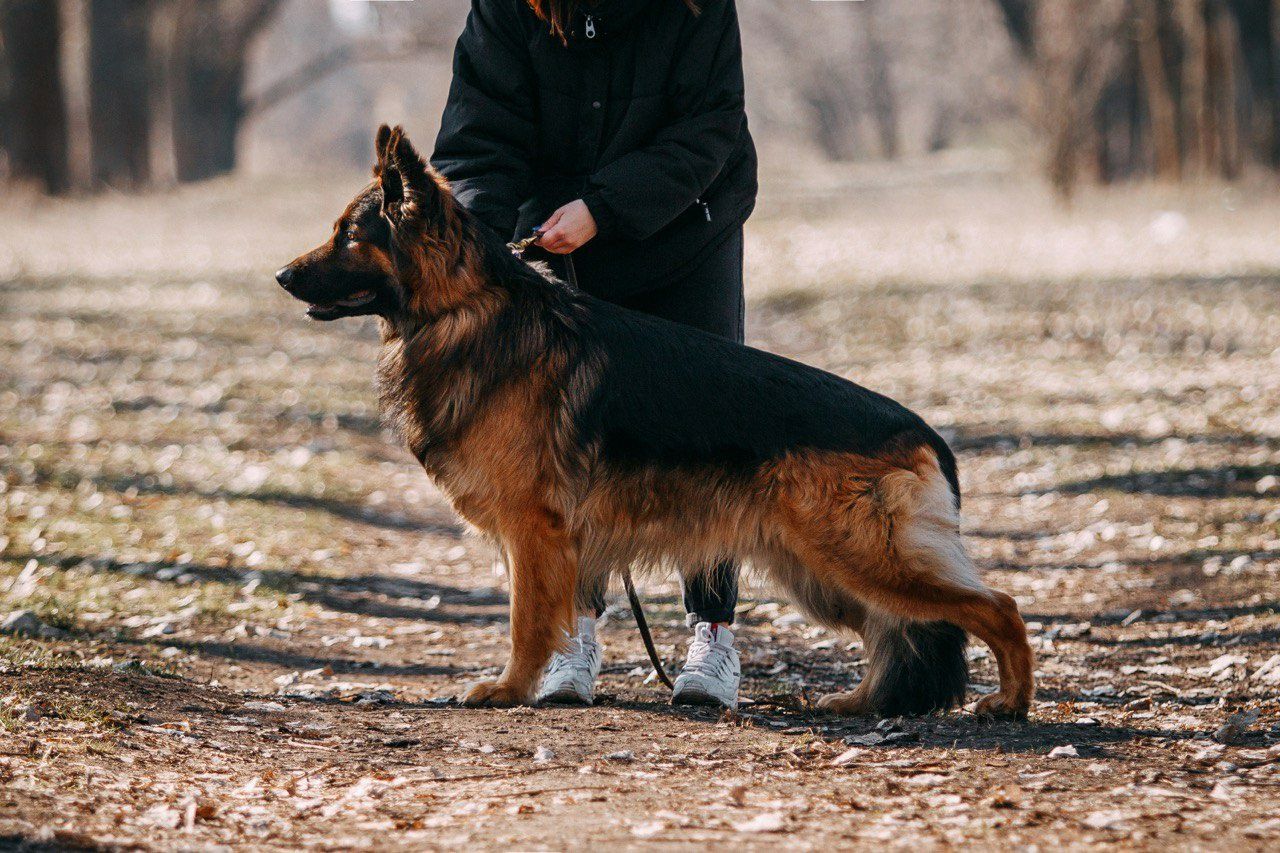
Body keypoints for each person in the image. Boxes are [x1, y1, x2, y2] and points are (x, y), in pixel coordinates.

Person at [431, 0, 757, 709]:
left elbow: (712, 125)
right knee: (560, 440)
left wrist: (605, 206)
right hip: (554, 239)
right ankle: (568, 634)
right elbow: (477, 139)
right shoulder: (508, 9)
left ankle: (713, 633)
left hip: (687, 229)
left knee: (706, 427)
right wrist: (484, 242)